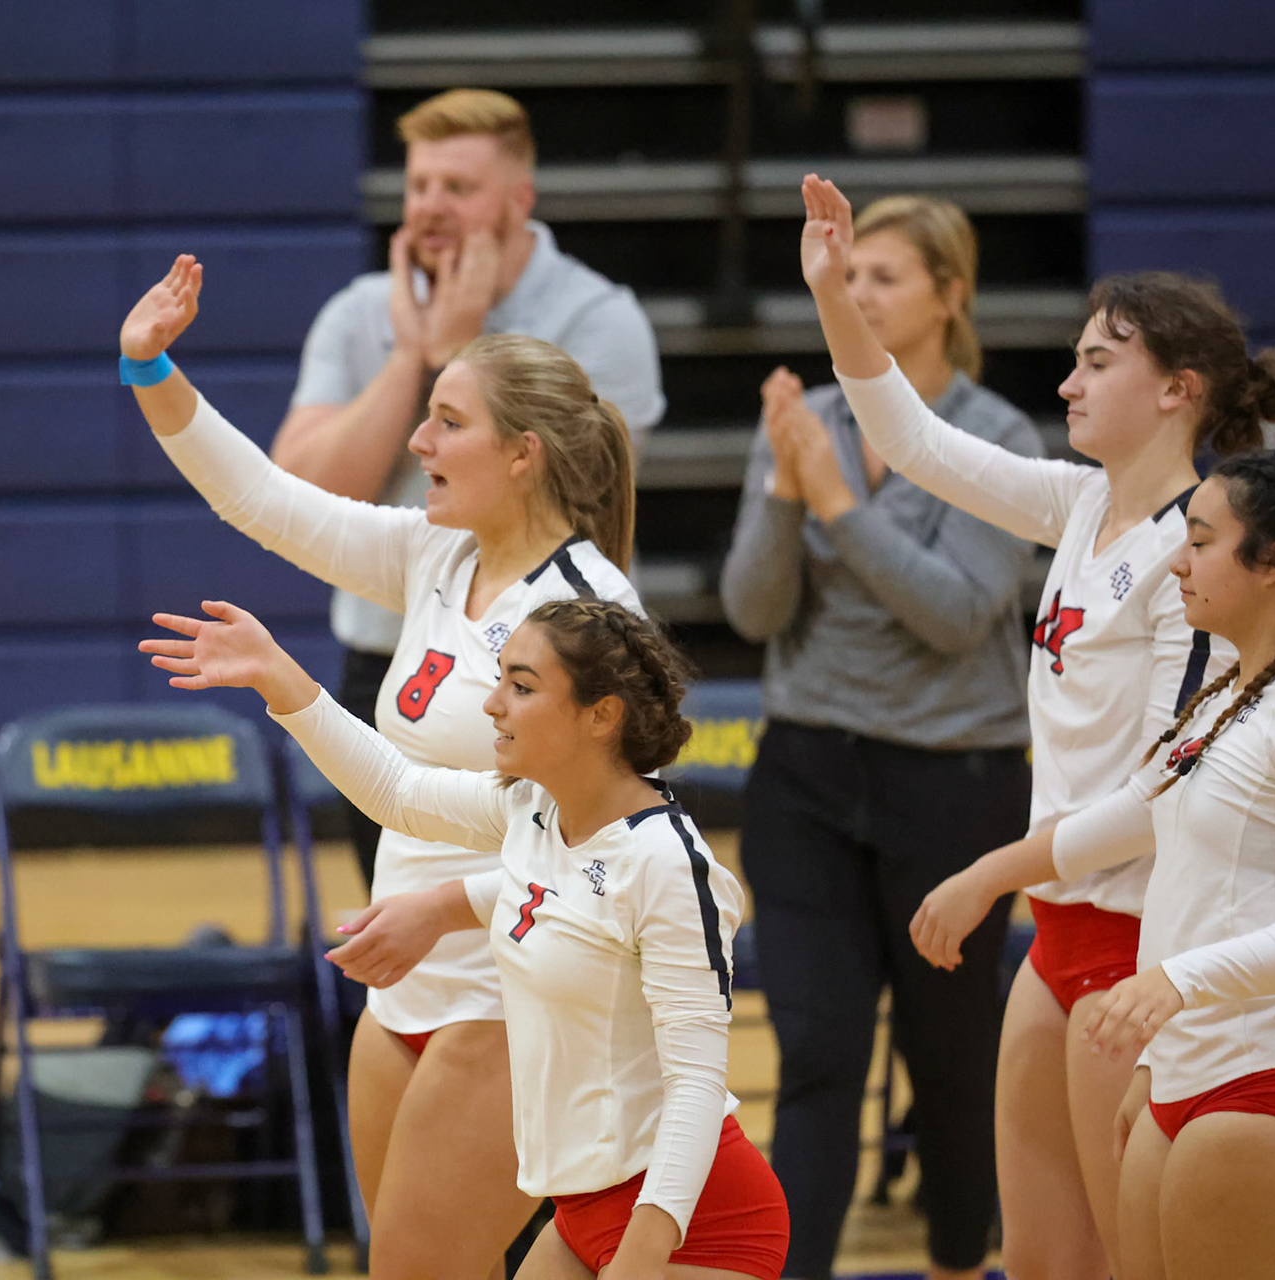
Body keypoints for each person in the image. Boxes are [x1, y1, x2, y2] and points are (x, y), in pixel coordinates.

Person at [799, 173, 1275, 1279]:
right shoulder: (1078, 504)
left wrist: (991, 868)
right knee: (1034, 1259)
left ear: (1178, 389)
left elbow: (1163, 797)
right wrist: (834, 292)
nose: (1067, 380)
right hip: (1056, 933)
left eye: (1097, 361)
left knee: (1132, 1259)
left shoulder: (1195, 556)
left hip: (1136, 938)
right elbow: (916, 441)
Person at [121, 256, 642, 1277]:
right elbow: (262, 499)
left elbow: (566, 834)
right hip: (400, 979)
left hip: (511, 986)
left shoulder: (589, 610)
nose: (417, 440)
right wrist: (151, 369)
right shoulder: (435, 554)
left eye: (448, 420)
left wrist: (292, 692)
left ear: (524, 454)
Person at [140, 596, 789, 1279]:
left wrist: (642, 1256)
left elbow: (695, 1085)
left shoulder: (665, 864)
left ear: (602, 716)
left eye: (522, 686)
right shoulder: (536, 812)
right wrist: (278, 677)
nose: (492, 704)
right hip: (581, 1212)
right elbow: (397, 789)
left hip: (695, 1224)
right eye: (501, 678)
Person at [717, 195, 1041, 1280]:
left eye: (884, 277)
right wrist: (781, 484)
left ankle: (960, 1258)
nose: (856, 296)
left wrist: (839, 505)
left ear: (950, 296)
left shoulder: (997, 439)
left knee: (948, 1059)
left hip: (953, 788)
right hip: (806, 774)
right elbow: (754, 611)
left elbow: (956, 614)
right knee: (816, 1052)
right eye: (848, 280)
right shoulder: (809, 415)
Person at [912, 446, 1275, 1280]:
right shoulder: (1236, 691)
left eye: (1201, 542)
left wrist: (1178, 981)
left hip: (1269, 1077)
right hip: (1182, 1069)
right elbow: (1134, 811)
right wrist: (990, 875)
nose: (1177, 561)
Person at [270, 87, 664, 892]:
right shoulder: (358, 314)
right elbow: (304, 487)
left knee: (533, 904)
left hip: (535, 668)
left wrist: (464, 348)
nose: (431, 209)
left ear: (520, 199)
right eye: (419, 187)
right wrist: (414, 357)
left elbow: (582, 497)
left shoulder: (598, 318)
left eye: (459, 188)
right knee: (399, 912)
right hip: (384, 655)